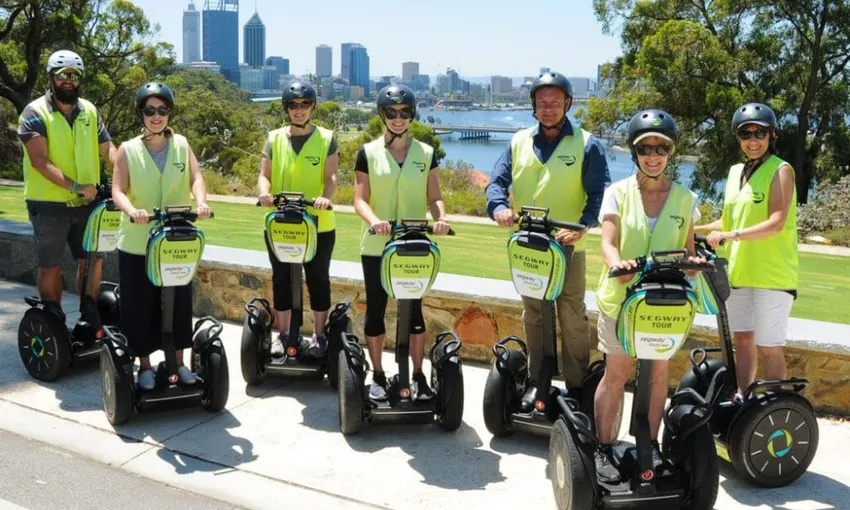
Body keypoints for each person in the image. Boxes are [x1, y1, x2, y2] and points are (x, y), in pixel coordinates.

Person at [485, 71, 611, 410]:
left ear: (567, 103)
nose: (548, 108)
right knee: (534, 314)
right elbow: (497, 182)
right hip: (528, 246)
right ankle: (537, 383)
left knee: (572, 315)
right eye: (542, 102)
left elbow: (599, 195)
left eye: (555, 102)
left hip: (568, 246)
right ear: (534, 106)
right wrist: (498, 207)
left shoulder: (587, 144)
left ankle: (576, 387)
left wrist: (583, 225)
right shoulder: (518, 141)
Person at [592, 109, 704, 482]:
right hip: (621, 300)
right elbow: (608, 243)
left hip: (664, 302)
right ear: (634, 152)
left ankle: (650, 446)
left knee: (657, 375)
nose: (652, 156)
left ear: (670, 152)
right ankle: (603, 446)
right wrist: (618, 265)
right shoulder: (617, 193)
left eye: (660, 148)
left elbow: (688, 251)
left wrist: (694, 264)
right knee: (617, 373)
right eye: (645, 148)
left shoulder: (686, 199)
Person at [353, 84, 450, 401]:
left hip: (414, 245)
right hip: (377, 245)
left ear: (412, 114)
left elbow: (434, 197)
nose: (398, 118)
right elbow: (359, 200)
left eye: (404, 112)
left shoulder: (426, 153)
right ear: (382, 114)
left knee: (415, 311)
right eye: (392, 112)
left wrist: (440, 218)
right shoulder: (367, 153)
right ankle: (378, 375)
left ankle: (418, 376)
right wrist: (374, 221)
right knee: (376, 309)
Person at [111, 82, 211, 390]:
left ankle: (178, 363)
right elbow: (117, 191)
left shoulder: (181, 144)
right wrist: (132, 210)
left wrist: (201, 202)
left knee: (179, 304)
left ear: (170, 113)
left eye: (162, 110)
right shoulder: (128, 149)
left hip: (175, 240)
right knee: (139, 306)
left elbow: (196, 177)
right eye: (150, 111)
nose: (156, 117)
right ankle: (144, 366)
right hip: (137, 243)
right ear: (141, 114)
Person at [698, 103, 797, 400]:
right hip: (738, 273)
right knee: (742, 339)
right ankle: (743, 399)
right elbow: (727, 222)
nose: (753, 140)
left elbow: (776, 222)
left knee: (769, 346)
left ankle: (775, 408)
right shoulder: (734, 173)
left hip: (772, 275)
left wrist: (731, 235)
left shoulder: (781, 170)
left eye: (759, 133)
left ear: (771, 135)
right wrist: (692, 230)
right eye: (745, 134)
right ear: (738, 137)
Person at [18, 49, 116, 307]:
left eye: (74, 75)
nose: (68, 81)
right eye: (62, 75)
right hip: (48, 204)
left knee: (92, 261)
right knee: (50, 266)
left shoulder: (90, 111)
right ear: (51, 77)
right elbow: (39, 160)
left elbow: (108, 150)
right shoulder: (34, 112)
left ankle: (88, 317)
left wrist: (126, 174)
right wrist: (75, 186)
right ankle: (53, 319)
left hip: (88, 204)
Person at [257, 81, 339, 358]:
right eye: (293, 105)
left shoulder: (326, 138)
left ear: (312, 107)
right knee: (281, 278)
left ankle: (318, 335)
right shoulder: (274, 138)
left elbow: (331, 177)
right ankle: (282, 335)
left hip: (318, 224)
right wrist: (264, 193)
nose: (299, 110)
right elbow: (264, 175)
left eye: (304, 104)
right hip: (280, 223)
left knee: (318, 279)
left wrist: (325, 198)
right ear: (286, 108)